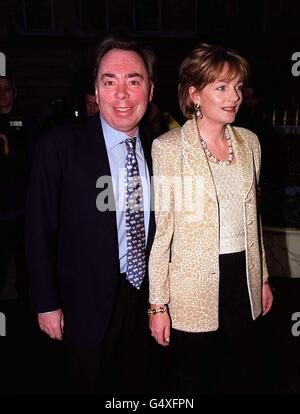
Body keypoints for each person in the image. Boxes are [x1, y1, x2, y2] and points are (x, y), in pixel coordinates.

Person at [26, 34, 155, 393]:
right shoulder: (59, 147)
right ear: (96, 92)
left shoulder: (161, 148)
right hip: (80, 305)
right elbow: (39, 230)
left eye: (134, 81)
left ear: (150, 89)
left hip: (142, 303)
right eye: (109, 82)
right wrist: (46, 303)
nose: (122, 93)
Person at [148, 43, 273, 394]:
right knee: (194, 378)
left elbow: (253, 218)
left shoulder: (250, 143)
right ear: (195, 94)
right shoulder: (169, 148)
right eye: (221, 87)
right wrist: (157, 305)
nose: (234, 96)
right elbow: (163, 233)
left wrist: (261, 277)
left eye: (237, 87)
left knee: (243, 373)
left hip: (242, 278)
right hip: (193, 286)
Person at [0, 75, 32, 302]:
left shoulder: (28, 121)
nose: (2, 94)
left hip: (21, 209)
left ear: (14, 92)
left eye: (7, 89)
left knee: (25, 265)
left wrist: (11, 152)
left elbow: (35, 160)